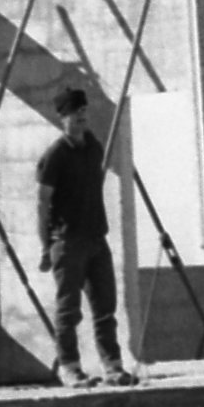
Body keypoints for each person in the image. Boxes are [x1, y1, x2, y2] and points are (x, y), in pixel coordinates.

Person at [35, 82, 129, 384]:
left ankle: (113, 367)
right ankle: (70, 368)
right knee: (68, 310)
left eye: (84, 111)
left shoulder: (94, 148)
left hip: (96, 240)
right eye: (75, 112)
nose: (81, 117)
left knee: (105, 307)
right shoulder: (55, 155)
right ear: (62, 117)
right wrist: (46, 246)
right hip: (68, 242)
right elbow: (42, 203)